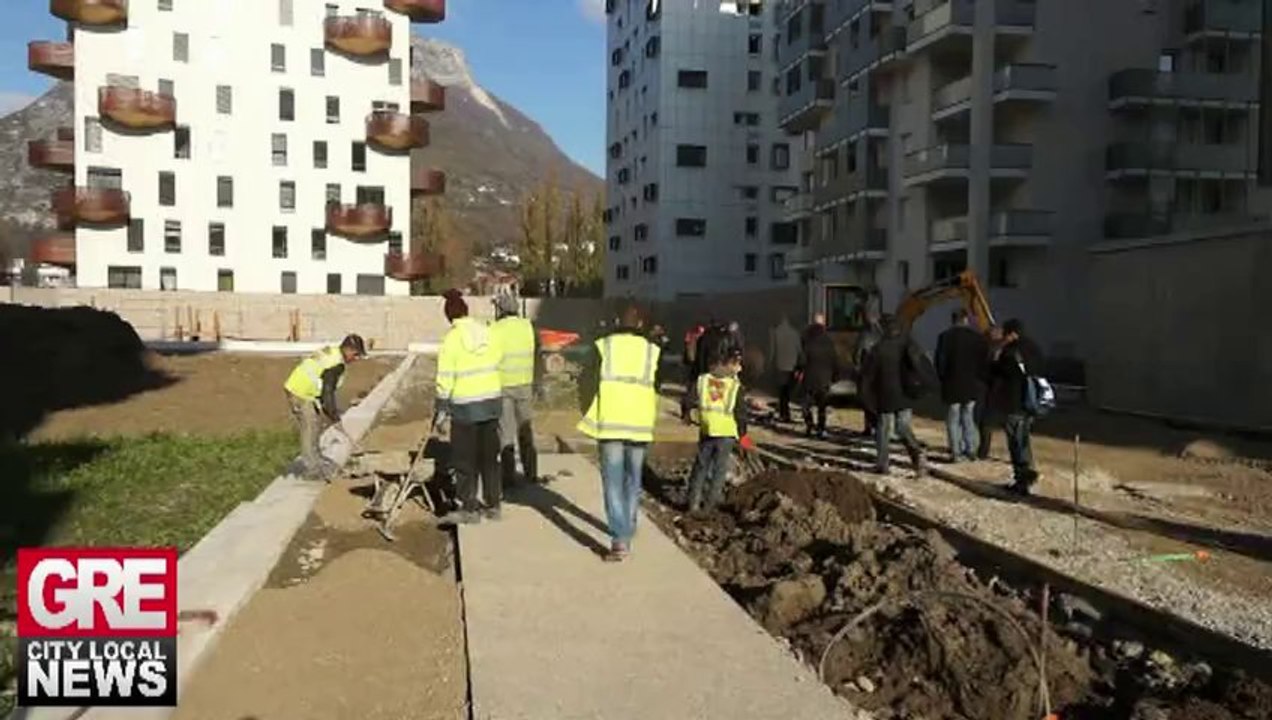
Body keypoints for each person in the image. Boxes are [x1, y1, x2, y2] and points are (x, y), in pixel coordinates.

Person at [578, 305, 661, 562]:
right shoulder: (652, 350)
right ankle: (630, 524)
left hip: (611, 423)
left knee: (612, 482)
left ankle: (620, 539)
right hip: (639, 424)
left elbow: (586, 382)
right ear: (640, 325)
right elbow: (656, 387)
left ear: (617, 322)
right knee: (633, 479)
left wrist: (589, 412)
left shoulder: (604, 346)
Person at [435, 290, 505, 526]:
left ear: (450, 317)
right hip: (491, 403)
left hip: (465, 408)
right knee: (489, 458)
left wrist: (441, 408)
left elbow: (445, 377)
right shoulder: (488, 333)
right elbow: (499, 359)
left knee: (465, 461)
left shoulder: (452, 339)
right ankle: (494, 505)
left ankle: (469, 508)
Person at [283, 334, 367, 481]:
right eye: (356, 355)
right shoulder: (335, 365)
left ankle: (316, 459)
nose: (356, 359)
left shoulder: (334, 353)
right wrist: (333, 415)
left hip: (305, 390)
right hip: (300, 391)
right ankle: (312, 470)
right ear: (348, 350)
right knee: (310, 427)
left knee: (315, 425)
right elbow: (327, 393)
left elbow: (324, 388)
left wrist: (329, 410)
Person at [861, 314, 928, 477]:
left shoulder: (878, 350)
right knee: (903, 427)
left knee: (883, 429)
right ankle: (917, 453)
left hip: (886, 394)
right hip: (905, 393)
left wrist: (865, 397)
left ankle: (883, 464)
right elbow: (920, 365)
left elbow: (868, 377)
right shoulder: (907, 344)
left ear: (883, 329)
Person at [687, 350, 749, 513]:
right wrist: (744, 438)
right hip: (726, 433)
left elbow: (688, 400)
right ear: (730, 364)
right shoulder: (735, 386)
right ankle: (709, 507)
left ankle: (693, 504)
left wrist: (687, 415)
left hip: (707, 430)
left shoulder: (703, 380)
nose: (740, 369)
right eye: (737, 364)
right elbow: (741, 414)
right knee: (719, 471)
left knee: (701, 467)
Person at [490, 294, 540, 488]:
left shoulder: (494, 329)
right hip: (525, 386)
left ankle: (508, 478)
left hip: (503, 387)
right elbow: (537, 353)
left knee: (506, 434)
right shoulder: (528, 327)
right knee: (526, 431)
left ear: (501, 310)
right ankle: (531, 473)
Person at [993, 318, 1045, 494]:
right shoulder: (1034, 348)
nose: (1004, 337)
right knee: (1024, 440)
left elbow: (997, 373)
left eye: (1006, 334)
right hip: (1030, 402)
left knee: (1016, 442)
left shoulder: (1009, 352)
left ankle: (1022, 479)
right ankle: (1028, 472)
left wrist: (996, 356)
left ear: (1012, 333)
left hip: (1013, 402)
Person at [935, 309, 990, 462]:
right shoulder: (977, 339)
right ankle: (971, 449)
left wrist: (943, 379)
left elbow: (940, 363)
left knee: (953, 418)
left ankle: (956, 452)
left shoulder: (945, 337)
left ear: (953, 320)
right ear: (966, 319)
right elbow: (984, 362)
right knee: (968, 417)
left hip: (952, 384)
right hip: (972, 384)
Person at [798, 313, 837, 439]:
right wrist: (835, 376)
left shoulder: (807, 339)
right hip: (824, 379)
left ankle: (809, 425)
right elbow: (834, 360)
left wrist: (798, 370)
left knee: (805, 405)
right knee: (822, 406)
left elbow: (802, 360)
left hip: (809, 378)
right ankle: (821, 429)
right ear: (823, 325)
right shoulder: (829, 341)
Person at [976, 324, 1006, 459]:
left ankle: (983, 451)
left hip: (991, 388)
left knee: (986, 422)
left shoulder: (993, 349)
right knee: (985, 422)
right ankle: (983, 450)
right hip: (993, 388)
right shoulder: (997, 348)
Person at [853, 311, 883, 437]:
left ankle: (870, 426)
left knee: (866, 400)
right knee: (877, 401)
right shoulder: (882, 335)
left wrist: (857, 367)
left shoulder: (864, 335)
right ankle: (877, 426)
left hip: (866, 371)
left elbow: (857, 354)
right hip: (879, 372)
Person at [769, 315, 801, 423]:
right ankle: (786, 412)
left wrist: (770, 363)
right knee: (788, 391)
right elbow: (799, 350)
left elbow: (773, 351)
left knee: (782, 391)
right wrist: (800, 364)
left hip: (780, 365)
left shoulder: (775, 332)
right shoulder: (795, 333)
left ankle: (784, 413)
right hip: (792, 365)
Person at [680, 321, 707, 422]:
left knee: (692, 389)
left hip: (693, 365)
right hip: (695, 366)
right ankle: (686, 412)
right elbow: (691, 353)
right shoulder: (696, 337)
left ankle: (686, 411)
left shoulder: (690, 336)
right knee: (692, 390)